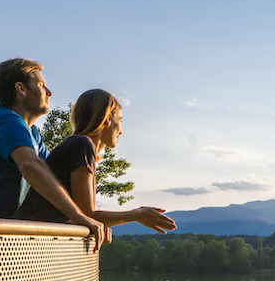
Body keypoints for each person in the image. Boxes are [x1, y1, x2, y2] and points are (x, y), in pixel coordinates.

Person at [0, 58, 108, 248]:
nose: (49, 93)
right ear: (21, 89)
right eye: (41, 86)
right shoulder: (6, 120)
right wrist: (77, 216)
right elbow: (30, 166)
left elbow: (50, 177)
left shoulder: (32, 133)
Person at [14, 88, 176, 234]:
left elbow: (80, 216)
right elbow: (87, 214)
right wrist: (137, 215)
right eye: (120, 121)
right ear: (107, 120)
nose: (121, 131)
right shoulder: (82, 146)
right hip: (23, 241)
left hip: (30, 238)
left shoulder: (79, 145)